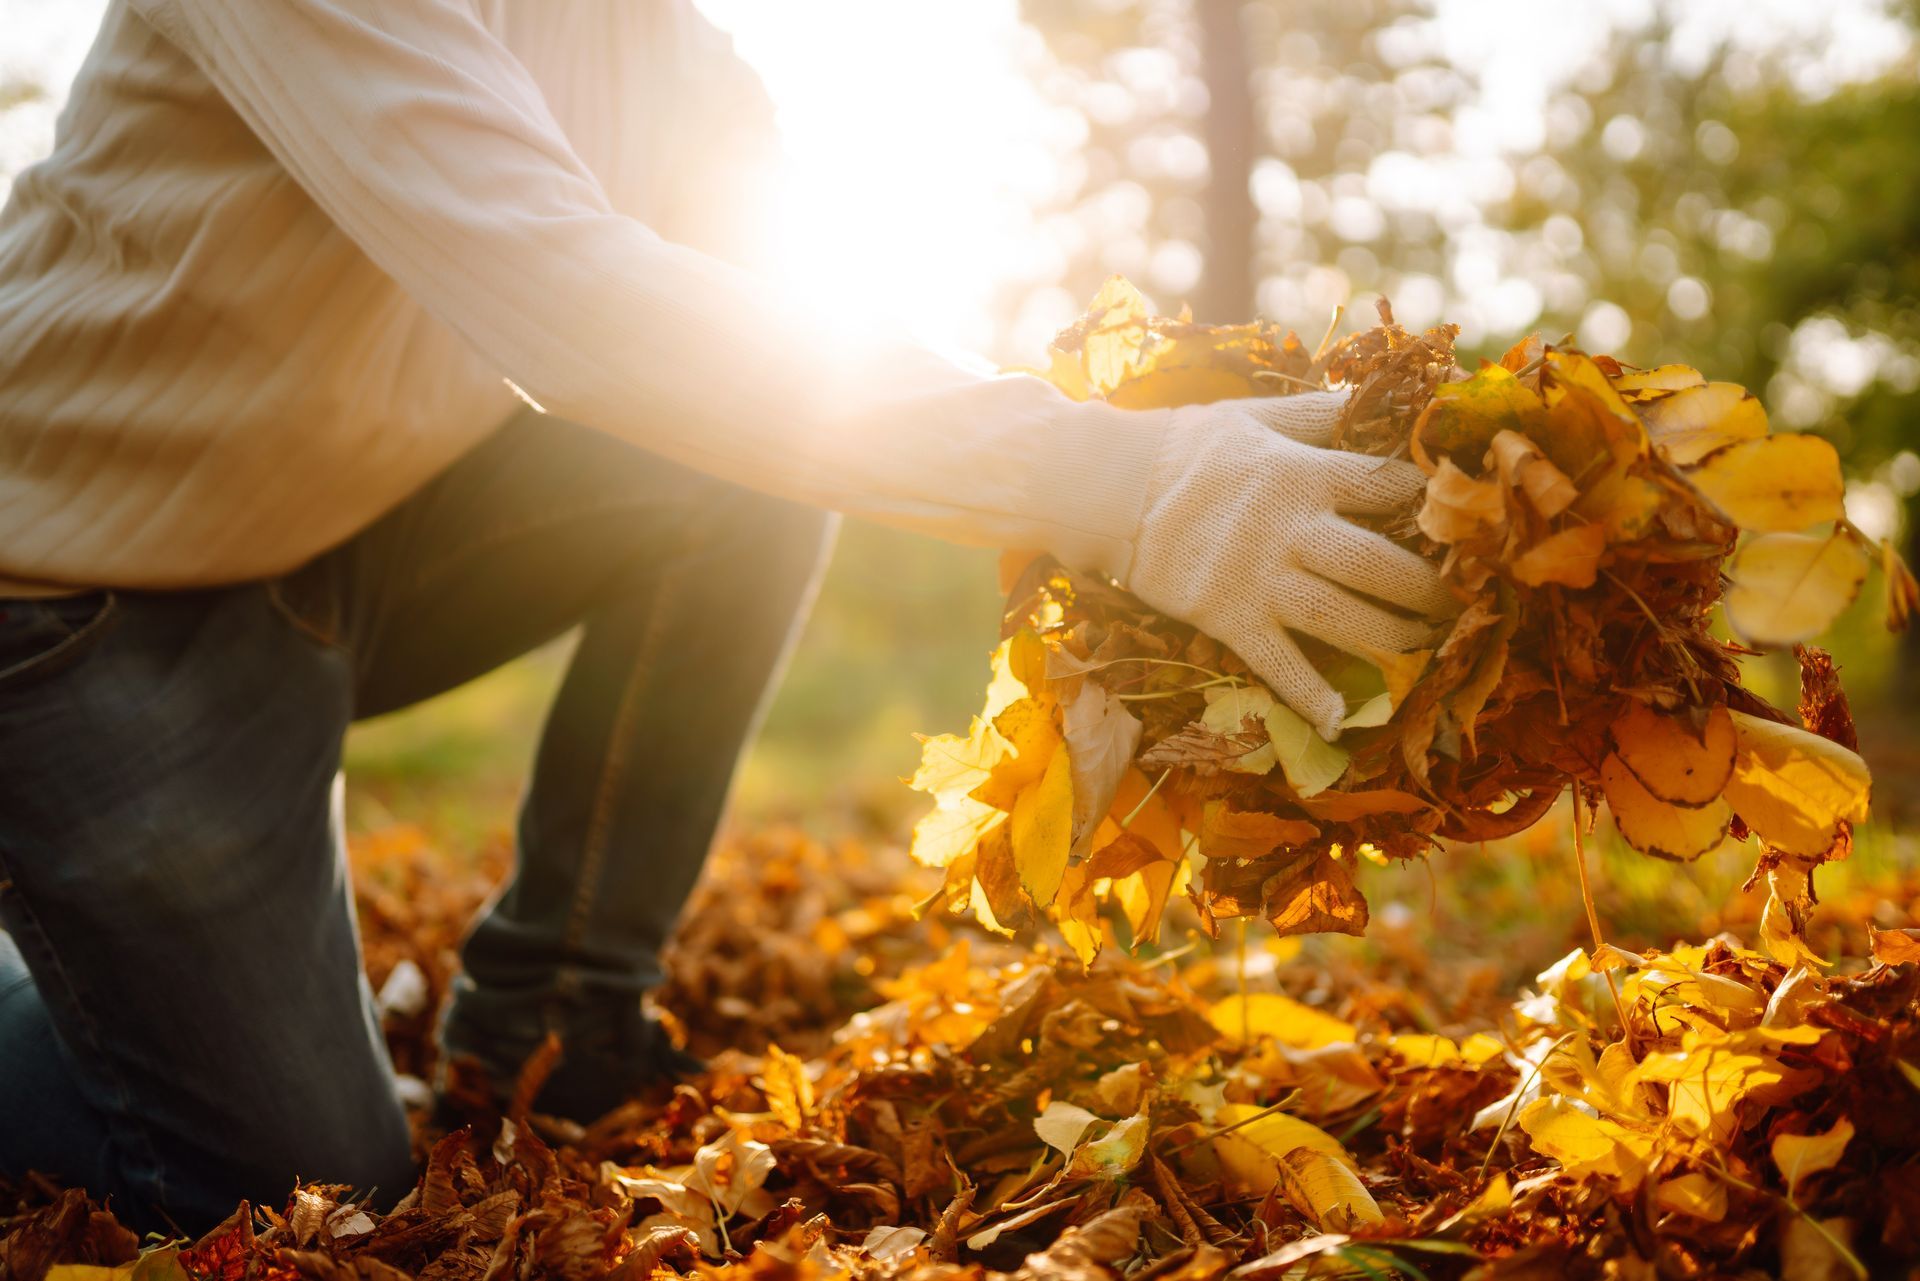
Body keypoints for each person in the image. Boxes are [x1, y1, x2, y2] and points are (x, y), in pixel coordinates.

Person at [0, 0, 1450, 1234]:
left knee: (755, 452)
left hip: (338, 541)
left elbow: (803, 362)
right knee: (307, 1190)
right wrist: (1129, 486)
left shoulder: (673, 61)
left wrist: (1101, 568)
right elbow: (566, 300)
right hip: (80, 602)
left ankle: (551, 1031)